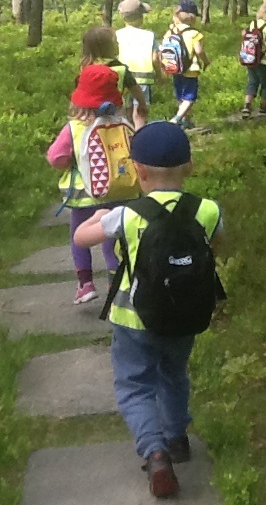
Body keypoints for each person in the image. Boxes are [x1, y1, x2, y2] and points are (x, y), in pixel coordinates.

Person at [73, 121, 223, 499]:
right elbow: (219, 245)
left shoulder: (128, 214)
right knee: (174, 375)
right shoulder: (206, 209)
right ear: (189, 167)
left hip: (133, 318)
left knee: (135, 385)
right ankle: (177, 439)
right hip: (186, 315)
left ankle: (155, 452)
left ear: (137, 171)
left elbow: (82, 238)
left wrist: (95, 219)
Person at [47, 65, 133, 304]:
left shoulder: (74, 128)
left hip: (84, 198)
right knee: (112, 238)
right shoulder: (122, 123)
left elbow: (56, 158)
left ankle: (85, 284)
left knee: (78, 238)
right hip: (120, 192)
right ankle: (117, 284)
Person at [81, 26, 149, 129]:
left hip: (90, 112)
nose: (118, 44)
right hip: (115, 111)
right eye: (115, 43)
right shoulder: (120, 68)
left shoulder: (86, 67)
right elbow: (135, 89)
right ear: (106, 48)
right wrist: (142, 103)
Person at [115, 0, 160, 125]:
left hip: (122, 78)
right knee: (140, 112)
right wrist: (160, 75)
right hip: (143, 78)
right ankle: (140, 139)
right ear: (141, 17)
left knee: (124, 110)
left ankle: (126, 137)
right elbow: (155, 59)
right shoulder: (149, 35)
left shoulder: (117, 34)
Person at [167, 0, 210, 128]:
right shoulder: (194, 34)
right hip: (191, 69)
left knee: (181, 96)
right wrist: (206, 61)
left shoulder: (171, 31)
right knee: (190, 97)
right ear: (192, 19)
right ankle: (177, 118)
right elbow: (199, 50)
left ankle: (185, 120)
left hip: (175, 68)